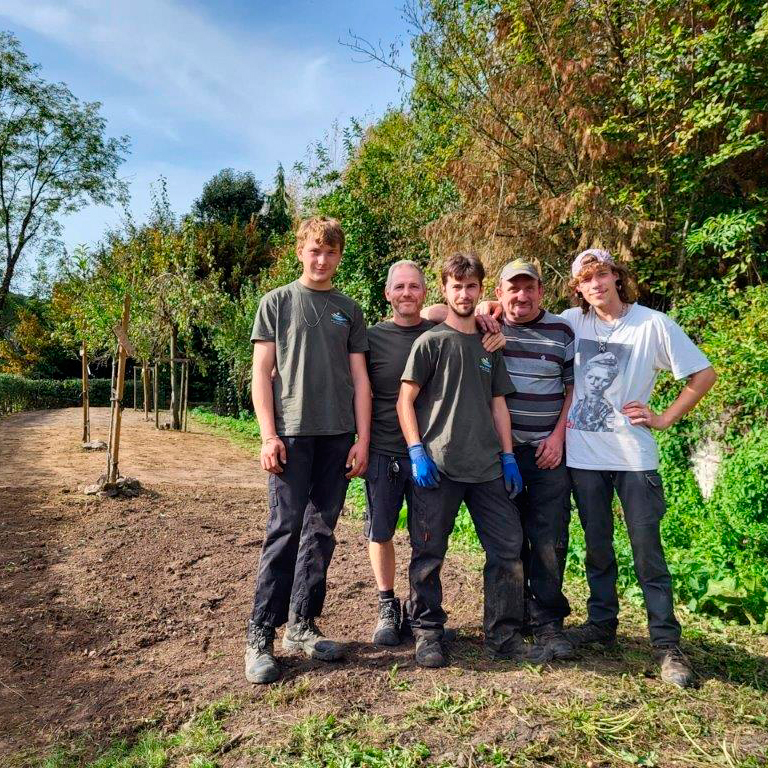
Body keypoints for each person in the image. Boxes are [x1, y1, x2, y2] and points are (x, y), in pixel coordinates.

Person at [562, 248, 716, 687]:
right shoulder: (573, 323)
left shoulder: (652, 324)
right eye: (587, 279)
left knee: (647, 551)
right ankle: (602, 625)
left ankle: (667, 644)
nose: (596, 284)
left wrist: (665, 417)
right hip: (584, 457)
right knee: (596, 547)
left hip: (634, 458)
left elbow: (702, 375)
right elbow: (516, 315)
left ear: (616, 276)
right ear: (578, 287)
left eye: (603, 274)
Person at [244, 216, 371, 684]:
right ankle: (260, 634)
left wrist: (362, 439)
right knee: (284, 531)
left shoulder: (348, 309)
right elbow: (261, 373)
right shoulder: (276, 303)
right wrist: (268, 435)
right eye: (314, 250)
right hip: (291, 437)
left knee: (321, 534)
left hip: (337, 437)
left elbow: (360, 379)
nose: (322, 260)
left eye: (331, 252)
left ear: (339, 256)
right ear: (300, 251)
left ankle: (301, 624)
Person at [397, 252, 528, 668]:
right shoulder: (429, 343)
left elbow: (498, 406)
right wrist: (417, 450)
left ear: (480, 291)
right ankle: (428, 632)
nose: (464, 293)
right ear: (445, 290)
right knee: (428, 552)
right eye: (457, 286)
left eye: (471, 286)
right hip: (439, 465)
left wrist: (509, 457)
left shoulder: (491, 345)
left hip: (488, 467)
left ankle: (503, 636)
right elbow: (405, 401)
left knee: (507, 550)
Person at [365, 260, 505, 646]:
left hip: (434, 451)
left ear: (426, 292)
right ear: (388, 293)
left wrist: (488, 316)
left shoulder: (439, 329)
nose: (407, 293)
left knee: (425, 538)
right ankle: (387, 606)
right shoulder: (371, 336)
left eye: (414, 286)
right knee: (381, 531)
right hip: (387, 448)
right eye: (399, 287)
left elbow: (468, 305)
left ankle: (420, 614)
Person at [492, 258, 575, 659]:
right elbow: (435, 312)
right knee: (506, 542)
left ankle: (548, 623)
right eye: (513, 288)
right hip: (499, 457)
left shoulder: (562, 330)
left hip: (546, 454)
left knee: (549, 540)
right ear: (499, 293)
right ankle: (509, 622)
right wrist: (477, 311)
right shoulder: (488, 328)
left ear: (541, 292)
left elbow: (572, 389)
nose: (521, 296)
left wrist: (558, 437)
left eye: (529, 288)